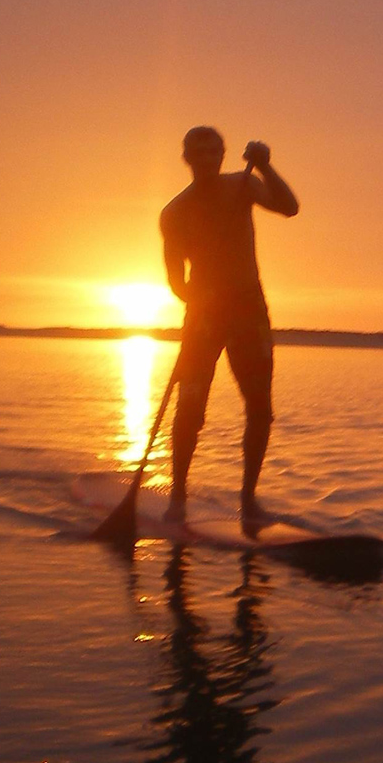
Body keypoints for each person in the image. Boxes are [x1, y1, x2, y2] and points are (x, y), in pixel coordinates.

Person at [160, 126, 299, 523]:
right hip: (203, 317)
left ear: (223, 155)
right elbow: (175, 279)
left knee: (260, 409)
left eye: (213, 152)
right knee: (190, 409)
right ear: (186, 158)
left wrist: (266, 167)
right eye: (198, 153)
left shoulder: (244, 184)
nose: (207, 159)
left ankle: (249, 501)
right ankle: (177, 498)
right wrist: (197, 300)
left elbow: (289, 207)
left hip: (249, 312)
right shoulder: (175, 212)